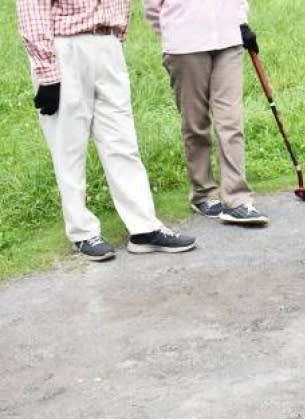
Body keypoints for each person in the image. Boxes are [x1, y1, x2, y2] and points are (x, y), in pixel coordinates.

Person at [16, 0, 197, 262]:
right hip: (65, 45)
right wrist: (47, 73)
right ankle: (82, 232)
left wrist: (117, 36)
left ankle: (144, 229)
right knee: (68, 147)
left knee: (122, 141)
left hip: (107, 43)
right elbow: (32, 10)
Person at [143, 0, 269, 226]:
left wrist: (241, 23)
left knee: (231, 121)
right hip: (184, 44)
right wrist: (173, 30)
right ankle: (203, 193)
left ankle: (237, 199)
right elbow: (152, 6)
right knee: (195, 122)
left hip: (228, 39)